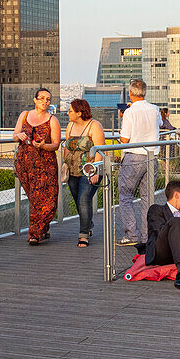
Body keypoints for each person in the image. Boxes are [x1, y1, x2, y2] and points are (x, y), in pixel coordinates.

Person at [12, 88, 61, 245]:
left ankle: (34, 233)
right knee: (35, 199)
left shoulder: (52, 120)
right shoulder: (24, 115)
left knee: (49, 200)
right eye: (41, 98)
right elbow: (14, 135)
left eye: (48, 99)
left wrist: (42, 146)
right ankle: (42, 228)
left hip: (45, 165)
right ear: (35, 100)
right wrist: (18, 136)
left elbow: (55, 145)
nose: (45, 102)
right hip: (25, 163)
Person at [116, 79, 161, 246]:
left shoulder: (130, 112)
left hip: (134, 156)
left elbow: (125, 139)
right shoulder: (154, 109)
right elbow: (160, 125)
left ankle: (131, 235)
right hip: (152, 156)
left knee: (126, 195)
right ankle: (146, 236)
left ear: (130, 93)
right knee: (147, 198)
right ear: (145, 92)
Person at [62, 98, 104, 248]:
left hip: (89, 170)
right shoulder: (70, 125)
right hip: (72, 170)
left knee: (83, 199)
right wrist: (64, 163)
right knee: (77, 199)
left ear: (79, 112)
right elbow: (67, 146)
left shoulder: (94, 126)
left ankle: (83, 235)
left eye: (70, 111)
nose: (68, 113)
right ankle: (89, 223)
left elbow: (99, 149)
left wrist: (95, 171)